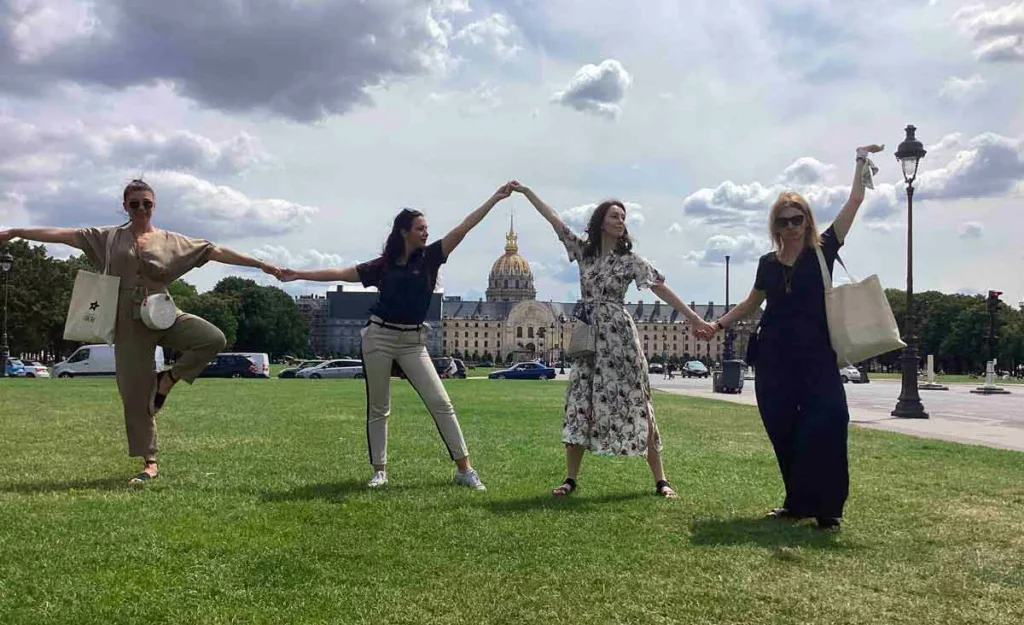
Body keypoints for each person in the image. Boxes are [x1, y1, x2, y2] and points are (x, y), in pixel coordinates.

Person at [0, 179, 280, 484]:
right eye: (134, 204)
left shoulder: (171, 240)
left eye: (146, 203)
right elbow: (63, 235)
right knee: (134, 395)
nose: (141, 209)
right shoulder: (106, 238)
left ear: (154, 205)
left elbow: (215, 251)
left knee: (212, 338)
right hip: (127, 321)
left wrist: (259, 264)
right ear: (125, 206)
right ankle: (150, 462)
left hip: (163, 312)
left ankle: (167, 380)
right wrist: (16, 232)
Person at [277, 183, 513, 489]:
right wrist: (297, 273)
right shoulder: (382, 266)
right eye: (420, 228)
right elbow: (339, 273)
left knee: (441, 402)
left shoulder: (431, 257)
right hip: (379, 337)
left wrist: (494, 198)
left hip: (414, 341)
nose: (426, 233)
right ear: (404, 231)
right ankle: (380, 471)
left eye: (427, 228)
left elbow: (465, 226)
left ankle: (464, 470)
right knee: (379, 406)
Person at [710, 144, 884, 531]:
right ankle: (796, 502)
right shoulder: (767, 264)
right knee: (782, 428)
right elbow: (751, 304)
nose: (791, 226)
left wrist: (858, 161)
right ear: (775, 226)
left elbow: (854, 201)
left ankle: (829, 508)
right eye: (784, 221)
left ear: (808, 221)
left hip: (817, 355)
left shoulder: (824, 249)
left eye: (797, 219)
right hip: (773, 355)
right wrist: (717, 325)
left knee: (830, 420)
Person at [511, 181, 716, 498]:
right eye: (615, 216)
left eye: (624, 217)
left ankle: (661, 480)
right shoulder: (584, 252)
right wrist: (527, 192)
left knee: (639, 401)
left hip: (619, 334)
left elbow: (660, 287)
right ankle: (570, 479)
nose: (621, 221)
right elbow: (554, 221)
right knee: (581, 401)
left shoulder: (630, 260)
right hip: (587, 330)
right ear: (600, 222)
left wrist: (694, 318)